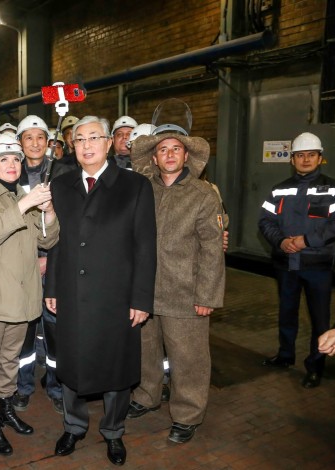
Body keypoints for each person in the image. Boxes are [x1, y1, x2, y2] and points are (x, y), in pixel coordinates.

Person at [46, 116, 156, 466]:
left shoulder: (135, 185)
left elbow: (145, 246)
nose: (87, 145)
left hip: (116, 295)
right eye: (80, 139)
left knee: (117, 366)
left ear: (109, 143)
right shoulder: (61, 185)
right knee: (71, 362)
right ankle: (74, 426)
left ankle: (113, 430)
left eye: (94, 137)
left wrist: (141, 298)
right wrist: (52, 287)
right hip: (72, 291)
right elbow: (57, 241)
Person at [129, 129, 225, 445]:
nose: (169, 154)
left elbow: (213, 248)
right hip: (145, 290)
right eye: (163, 149)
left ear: (186, 156)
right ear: (154, 158)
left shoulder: (203, 194)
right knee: (146, 351)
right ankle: (146, 395)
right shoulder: (143, 190)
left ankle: (187, 414)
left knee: (188, 359)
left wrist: (207, 295)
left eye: (176, 149)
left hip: (185, 292)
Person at [0, 134, 59, 455]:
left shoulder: (25, 196)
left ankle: (5, 406)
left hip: (21, 296)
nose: (12, 164)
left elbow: (47, 240)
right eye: (3, 159)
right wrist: (26, 204)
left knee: (10, 359)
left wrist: (48, 211)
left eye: (16, 159)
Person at [258, 132, 335, 388]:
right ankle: (285, 355)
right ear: (292, 159)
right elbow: (265, 221)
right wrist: (281, 242)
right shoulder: (279, 189)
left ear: (320, 158)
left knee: (320, 318)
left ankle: (316, 366)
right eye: (300, 155)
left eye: (311, 155)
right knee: (287, 313)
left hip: (317, 266)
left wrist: (306, 241)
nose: (305, 159)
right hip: (286, 264)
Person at [13, 115, 72, 414]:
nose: (35, 143)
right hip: (22, 265)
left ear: (49, 142)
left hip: (54, 264)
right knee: (23, 331)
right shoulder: (11, 174)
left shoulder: (63, 173)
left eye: (40, 138)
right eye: (29, 138)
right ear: (20, 142)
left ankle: (56, 386)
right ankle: (22, 387)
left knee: (55, 329)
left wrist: (50, 260)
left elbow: (69, 225)